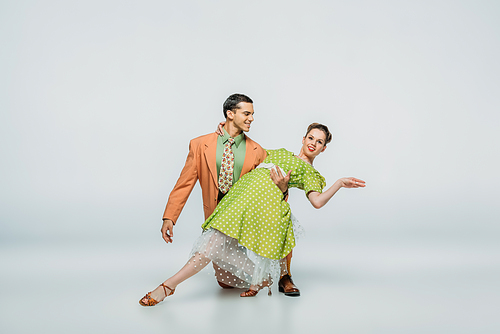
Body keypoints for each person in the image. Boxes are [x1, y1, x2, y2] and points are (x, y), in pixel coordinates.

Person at [139, 123, 366, 305]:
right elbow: (244, 150)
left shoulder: (310, 172)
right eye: (311, 138)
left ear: (324, 148)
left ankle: (168, 287)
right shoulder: (276, 153)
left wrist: (338, 184)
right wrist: (224, 132)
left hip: (263, 208)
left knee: (211, 247)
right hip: (239, 200)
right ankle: (263, 279)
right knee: (213, 246)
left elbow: (317, 201)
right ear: (303, 138)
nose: (313, 144)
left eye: (319, 142)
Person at [159, 93, 293, 291]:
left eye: (253, 114)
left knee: (208, 250)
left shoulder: (257, 151)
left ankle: (167, 288)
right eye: (246, 113)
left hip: (240, 218)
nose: (252, 118)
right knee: (225, 283)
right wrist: (169, 217)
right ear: (230, 114)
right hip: (215, 215)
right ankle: (265, 278)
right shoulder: (200, 145)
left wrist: (282, 190)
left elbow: (269, 189)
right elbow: (184, 183)